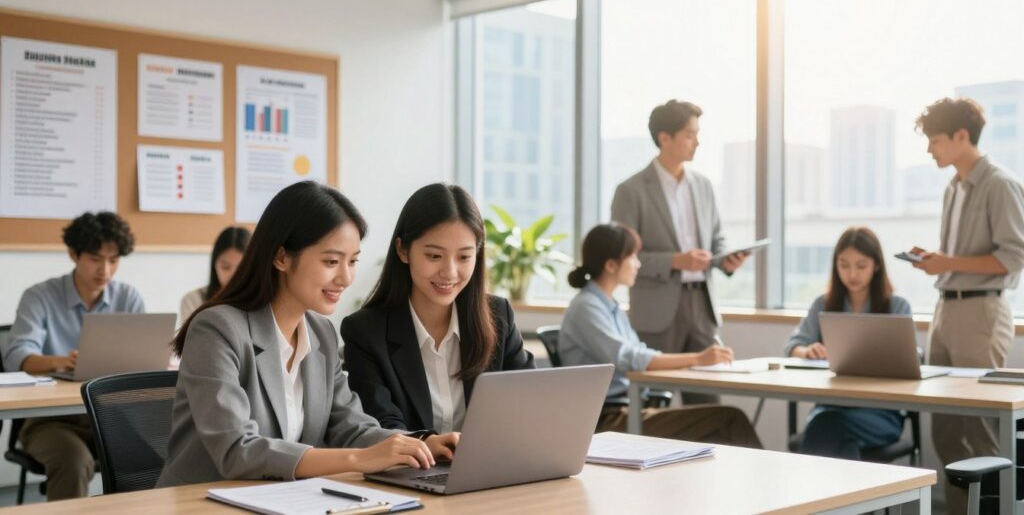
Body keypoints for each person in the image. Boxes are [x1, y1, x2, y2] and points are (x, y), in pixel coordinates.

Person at [157, 181, 457, 488]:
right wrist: (357, 459)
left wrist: (420, 443)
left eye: (352, 261)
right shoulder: (217, 328)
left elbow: (351, 428)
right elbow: (237, 451)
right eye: (331, 261)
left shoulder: (321, 333)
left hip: (279, 501)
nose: (345, 277)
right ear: (282, 257)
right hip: (201, 501)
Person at [341, 183, 535, 433]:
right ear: (403, 250)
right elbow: (382, 427)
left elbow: (529, 401)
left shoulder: (498, 316)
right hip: (411, 469)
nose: (450, 272)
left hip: (491, 467)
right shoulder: (366, 332)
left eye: (464, 257)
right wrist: (429, 445)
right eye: (434, 256)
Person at [907, 98, 1024, 512]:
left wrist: (948, 263)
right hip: (947, 308)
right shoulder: (953, 187)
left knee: (977, 430)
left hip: (980, 314)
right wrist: (936, 260)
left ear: (962, 136)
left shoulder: (999, 183)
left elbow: (1012, 258)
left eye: (934, 141)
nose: (929, 150)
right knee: (944, 428)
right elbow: (965, 256)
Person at [558, 223, 762, 448]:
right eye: (633, 257)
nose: (638, 264)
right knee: (729, 420)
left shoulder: (609, 305)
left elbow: (639, 355)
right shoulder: (587, 307)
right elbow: (630, 359)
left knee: (726, 424)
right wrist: (697, 359)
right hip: (606, 418)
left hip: (630, 408)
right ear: (610, 265)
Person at [610, 99, 749, 404]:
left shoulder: (703, 185)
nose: (697, 142)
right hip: (657, 309)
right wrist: (676, 261)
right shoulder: (631, 190)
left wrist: (726, 259)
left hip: (701, 305)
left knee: (707, 403)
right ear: (664, 138)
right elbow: (621, 256)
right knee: (654, 400)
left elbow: (716, 238)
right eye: (689, 134)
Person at [3, 211, 144, 501]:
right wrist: (61, 361)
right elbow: (17, 355)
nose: (105, 270)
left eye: (113, 260)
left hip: (110, 416)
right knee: (74, 460)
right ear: (73, 254)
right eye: (95, 259)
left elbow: (143, 354)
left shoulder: (128, 297)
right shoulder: (39, 296)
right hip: (49, 420)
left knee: (153, 452)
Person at [784, 227, 911, 459]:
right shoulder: (823, 304)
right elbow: (792, 347)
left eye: (861, 266)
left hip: (879, 414)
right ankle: (854, 495)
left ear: (877, 265)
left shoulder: (897, 306)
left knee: (827, 427)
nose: (852, 274)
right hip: (831, 406)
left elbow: (906, 362)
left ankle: (815, 494)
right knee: (837, 434)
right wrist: (806, 351)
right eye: (844, 265)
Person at [178, 226, 252, 328]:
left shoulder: (264, 302)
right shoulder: (193, 300)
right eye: (225, 267)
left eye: (241, 268)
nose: (233, 275)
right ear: (214, 265)